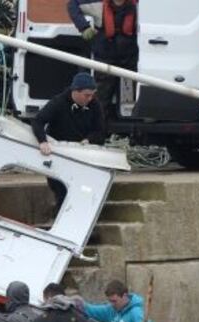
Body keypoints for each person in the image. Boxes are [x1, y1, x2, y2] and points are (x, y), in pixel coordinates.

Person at [31, 72, 105, 209]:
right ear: (75, 91)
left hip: (81, 154)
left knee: (82, 190)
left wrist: (89, 140)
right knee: (61, 190)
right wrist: (42, 141)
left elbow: (100, 131)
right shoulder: (58, 102)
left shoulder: (94, 105)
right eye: (86, 95)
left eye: (92, 95)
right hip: (58, 153)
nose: (90, 99)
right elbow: (38, 121)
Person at [67, 0, 138, 118]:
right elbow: (72, 5)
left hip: (129, 61)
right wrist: (84, 27)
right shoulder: (97, 4)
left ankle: (126, 131)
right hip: (105, 61)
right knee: (100, 101)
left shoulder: (139, 5)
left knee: (128, 104)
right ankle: (98, 131)